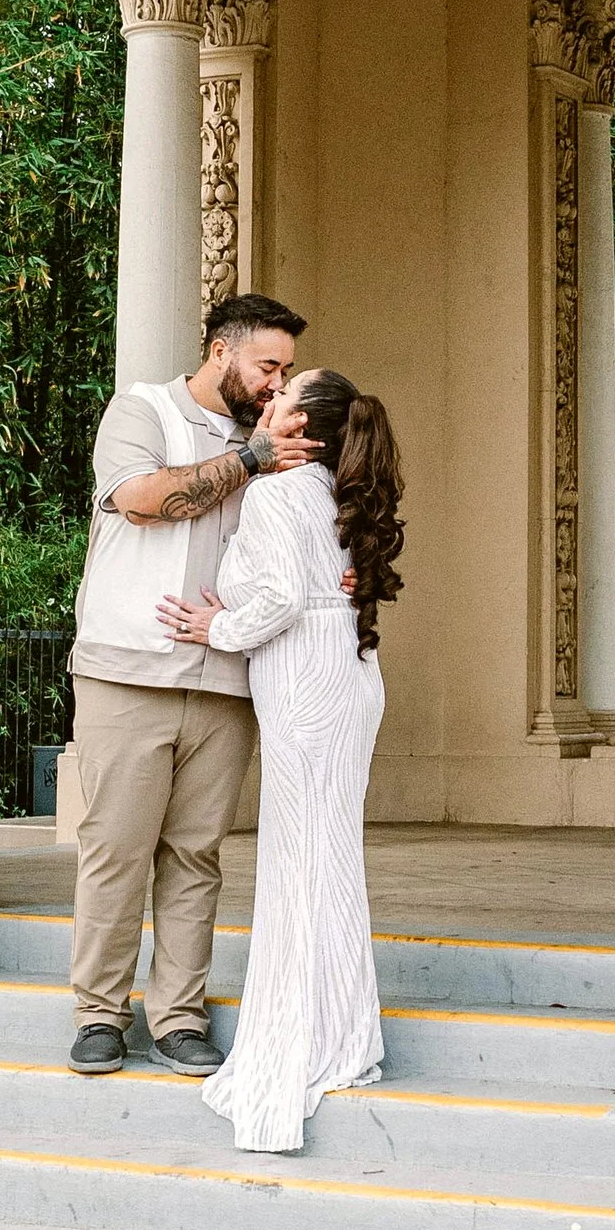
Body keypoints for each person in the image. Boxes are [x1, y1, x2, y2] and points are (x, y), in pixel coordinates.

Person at [157, 368, 405, 1155]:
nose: (268, 401)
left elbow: (278, 601)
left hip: (302, 677)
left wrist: (214, 626)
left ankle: (302, 1037)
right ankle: (342, 1033)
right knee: (330, 857)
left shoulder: (273, 495)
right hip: (351, 676)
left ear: (308, 426)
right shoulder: (341, 488)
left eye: (283, 394)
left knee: (299, 861)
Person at [64, 292, 308, 1075]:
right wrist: (249, 461)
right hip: (128, 670)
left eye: (286, 370)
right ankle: (100, 1016)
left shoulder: (272, 438)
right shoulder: (142, 411)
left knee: (197, 856)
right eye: (267, 365)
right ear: (220, 352)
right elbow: (141, 501)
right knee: (116, 850)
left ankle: (177, 1018)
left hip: (229, 680)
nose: (276, 384)